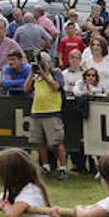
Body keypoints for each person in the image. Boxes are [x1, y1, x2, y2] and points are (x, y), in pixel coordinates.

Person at [24, 51, 67, 179]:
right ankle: (45, 167)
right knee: (40, 142)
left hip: (52, 111)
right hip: (36, 112)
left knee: (57, 142)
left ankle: (63, 168)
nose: (40, 66)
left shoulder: (56, 73)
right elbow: (26, 89)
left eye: (42, 63)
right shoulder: (35, 76)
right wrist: (32, 73)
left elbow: (56, 86)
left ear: (48, 63)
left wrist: (43, 74)